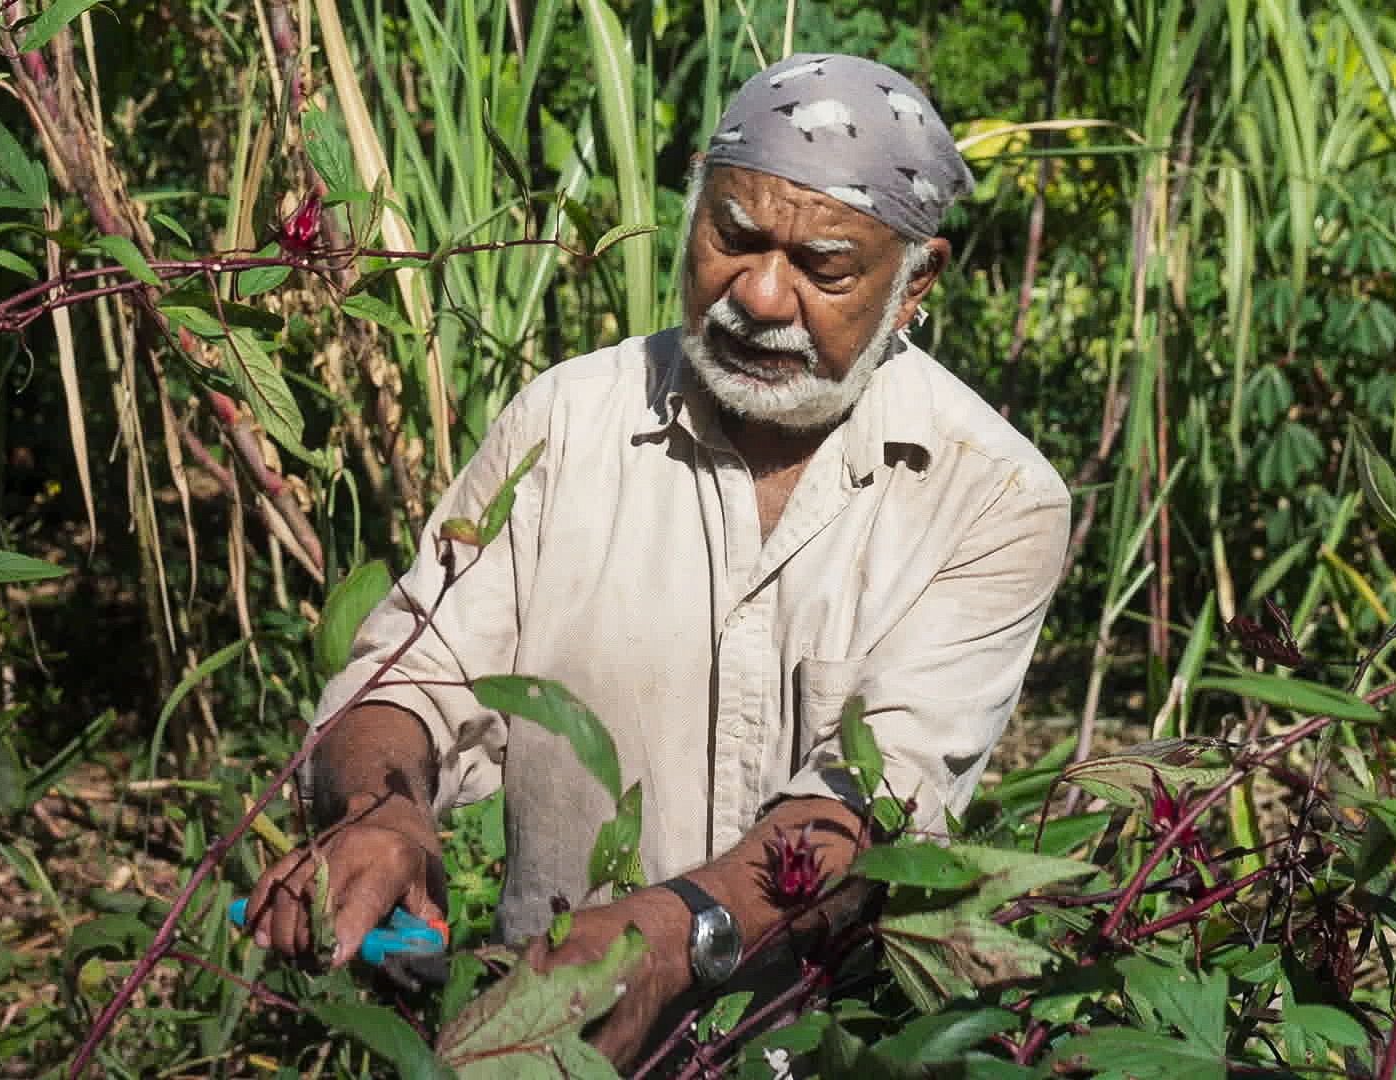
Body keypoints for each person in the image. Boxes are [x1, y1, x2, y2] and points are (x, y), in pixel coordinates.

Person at [247, 53, 1070, 1067]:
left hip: (818, 1047)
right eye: (734, 236)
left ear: (914, 283)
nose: (762, 296)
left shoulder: (990, 495)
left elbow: (871, 812)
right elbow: (417, 672)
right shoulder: (571, 418)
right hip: (538, 1032)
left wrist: (663, 941)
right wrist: (384, 816)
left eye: (825, 266)